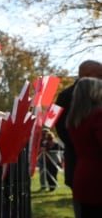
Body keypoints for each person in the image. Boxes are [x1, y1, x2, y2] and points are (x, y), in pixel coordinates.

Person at [55, 60, 102, 216]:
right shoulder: (64, 96)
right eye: (100, 75)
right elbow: (56, 124)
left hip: (82, 166)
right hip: (84, 160)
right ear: (88, 76)